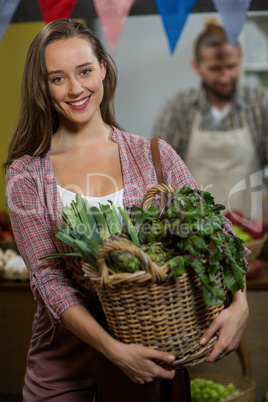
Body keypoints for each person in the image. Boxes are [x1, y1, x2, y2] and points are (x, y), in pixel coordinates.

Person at [3, 18, 248, 402]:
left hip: (150, 362)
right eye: (57, 78)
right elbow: (49, 281)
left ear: (103, 68)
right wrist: (114, 349)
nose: (75, 89)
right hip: (63, 369)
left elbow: (218, 234)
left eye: (84, 71)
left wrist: (240, 304)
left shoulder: (153, 155)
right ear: (42, 86)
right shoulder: (26, 173)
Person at [152, 18, 268, 224]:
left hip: (251, 229)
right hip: (193, 229)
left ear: (240, 59)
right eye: (215, 68)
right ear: (196, 66)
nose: (225, 77)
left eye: (231, 66)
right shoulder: (178, 107)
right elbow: (157, 173)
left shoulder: (259, 104)